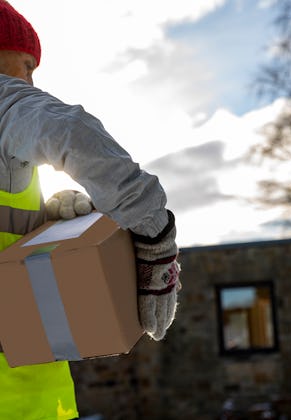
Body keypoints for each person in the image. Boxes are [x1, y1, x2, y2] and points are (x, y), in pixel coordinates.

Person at [0, 1, 181, 419]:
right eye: (26, 64)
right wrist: (154, 234)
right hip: (19, 399)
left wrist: (40, 223)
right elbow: (69, 130)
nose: (30, 79)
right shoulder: (6, 101)